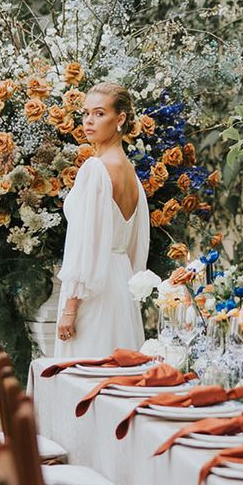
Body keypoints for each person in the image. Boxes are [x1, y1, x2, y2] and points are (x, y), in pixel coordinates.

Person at [54, 81, 148, 357]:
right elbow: (136, 244)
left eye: (99, 113)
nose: (89, 121)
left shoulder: (96, 169)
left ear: (120, 119)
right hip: (120, 284)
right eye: (85, 114)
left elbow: (84, 243)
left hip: (92, 291)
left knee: (84, 377)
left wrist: (70, 310)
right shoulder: (130, 172)